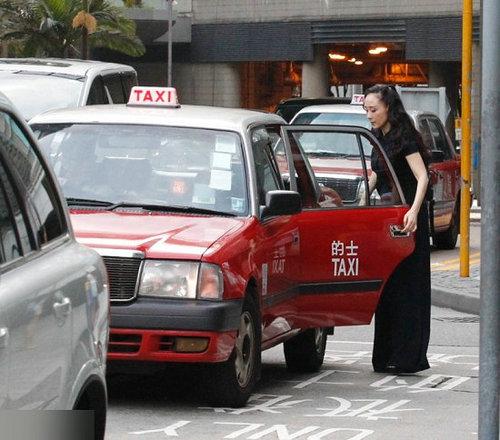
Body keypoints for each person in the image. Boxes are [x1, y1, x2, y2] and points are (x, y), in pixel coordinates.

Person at [363, 84, 431, 374]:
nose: (369, 115)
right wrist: (361, 201)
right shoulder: (376, 137)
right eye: (366, 110)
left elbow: (422, 177)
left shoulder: (405, 137)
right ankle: (385, 355)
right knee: (388, 287)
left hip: (409, 219)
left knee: (409, 288)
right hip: (388, 219)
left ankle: (408, 357)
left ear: (388, 107)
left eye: (373, 110)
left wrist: (414, 212)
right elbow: (376, 175)